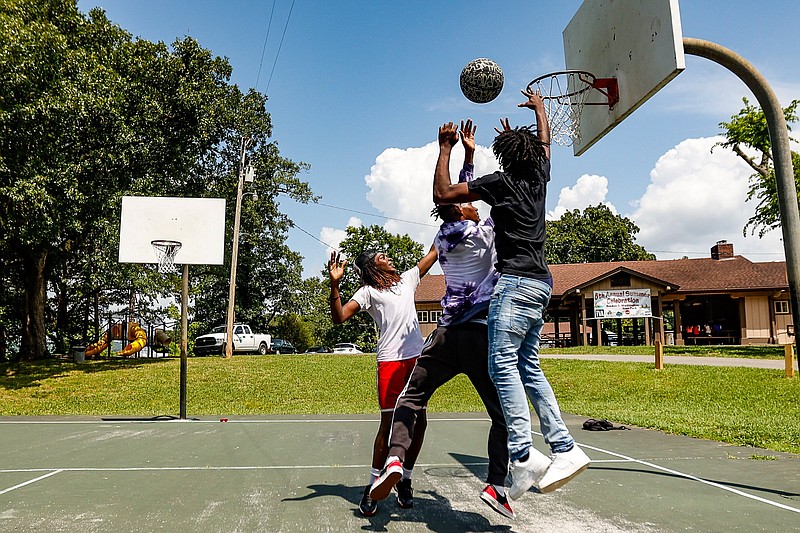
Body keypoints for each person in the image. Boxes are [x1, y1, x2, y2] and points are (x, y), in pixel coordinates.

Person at [431, 89, 591, 501]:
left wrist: (445, 148)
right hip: (542, 284)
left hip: (516, 284)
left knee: (501, 365)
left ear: (504, 157)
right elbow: (545, 144)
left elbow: (443, 196)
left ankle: (522, 457)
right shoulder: (539, 178)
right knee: (528, 367)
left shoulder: (499, 185)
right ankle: (565, 448)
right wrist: (540, 108)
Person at [369, 120, 515, 519]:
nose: (473, 202)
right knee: (502, 415)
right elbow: (462, 194)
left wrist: (460, 152)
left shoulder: (445, 236)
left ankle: (396, 460)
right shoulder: (483, 231)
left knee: (410, 400)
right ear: (466, 211)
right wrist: (457, 152)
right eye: (470, 203)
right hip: (481, 334)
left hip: (446, 335)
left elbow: (455, 192)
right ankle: (497, 486)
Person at [328, 245, 438, 516]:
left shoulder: (408, 279)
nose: (388, 258)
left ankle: (405, 481)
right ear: (372, 267)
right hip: (390, 362)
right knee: (388, 426)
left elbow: (434, 252)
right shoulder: (368, 292)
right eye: (381, 257)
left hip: (416, 360)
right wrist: (334, 285)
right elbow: (339, 317)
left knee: (419, 422)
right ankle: (372, 485)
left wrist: (452, 218)